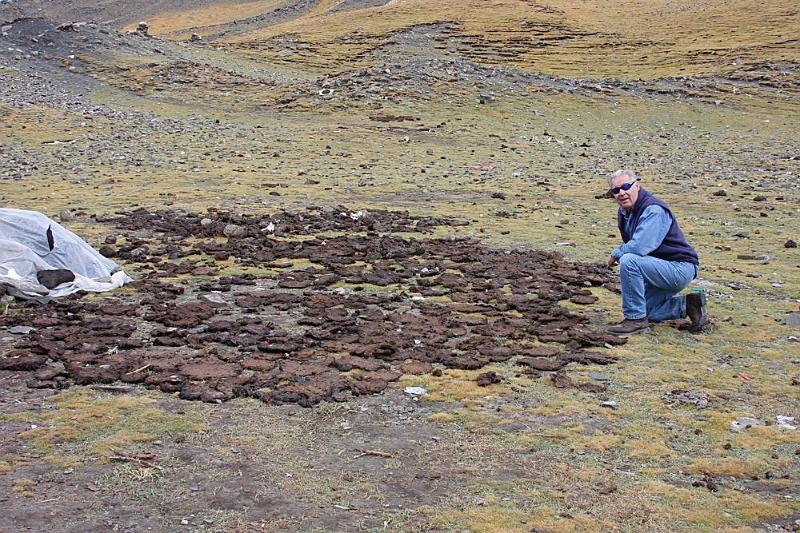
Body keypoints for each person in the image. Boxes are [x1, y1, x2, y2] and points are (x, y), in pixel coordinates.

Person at [604, 170, 707, 335]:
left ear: (636, 186)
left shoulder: (653, 209)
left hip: (678, 267)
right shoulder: (624, 212)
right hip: (658, 267)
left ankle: (635, 321)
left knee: (629, 260)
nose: (621, 193)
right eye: (616, 190)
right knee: (646, 309)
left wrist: (616, 254)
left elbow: (640, 247)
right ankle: (688, 305)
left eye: (625, 187)